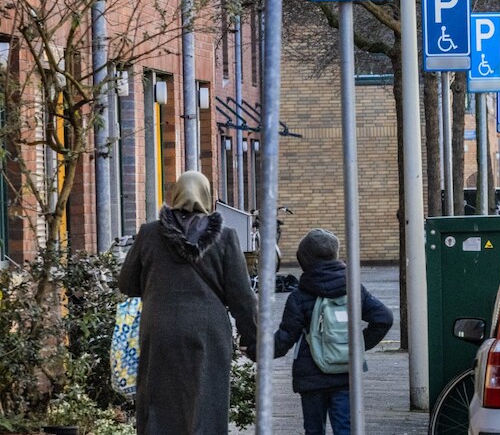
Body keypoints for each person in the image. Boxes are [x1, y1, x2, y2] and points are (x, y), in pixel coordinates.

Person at [118, 171, 257, 435]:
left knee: (158, 400)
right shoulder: (225, 237)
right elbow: (242, 298)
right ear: (207, 197)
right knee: (206, 400)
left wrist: (155, 286)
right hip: (208, 333)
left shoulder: (149, 233)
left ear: (174, 196)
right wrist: (254, 341)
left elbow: (126, 284)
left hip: (159, 330)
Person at [272, 229, 394, 435]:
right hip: (345, 373)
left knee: (313, 430)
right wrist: (355, 345)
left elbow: (285, 339)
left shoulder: (299, 295)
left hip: (310, 378)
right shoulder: (354, 288)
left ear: (304, 260)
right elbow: (384, 318)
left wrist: (255, 350)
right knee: (346, 428)